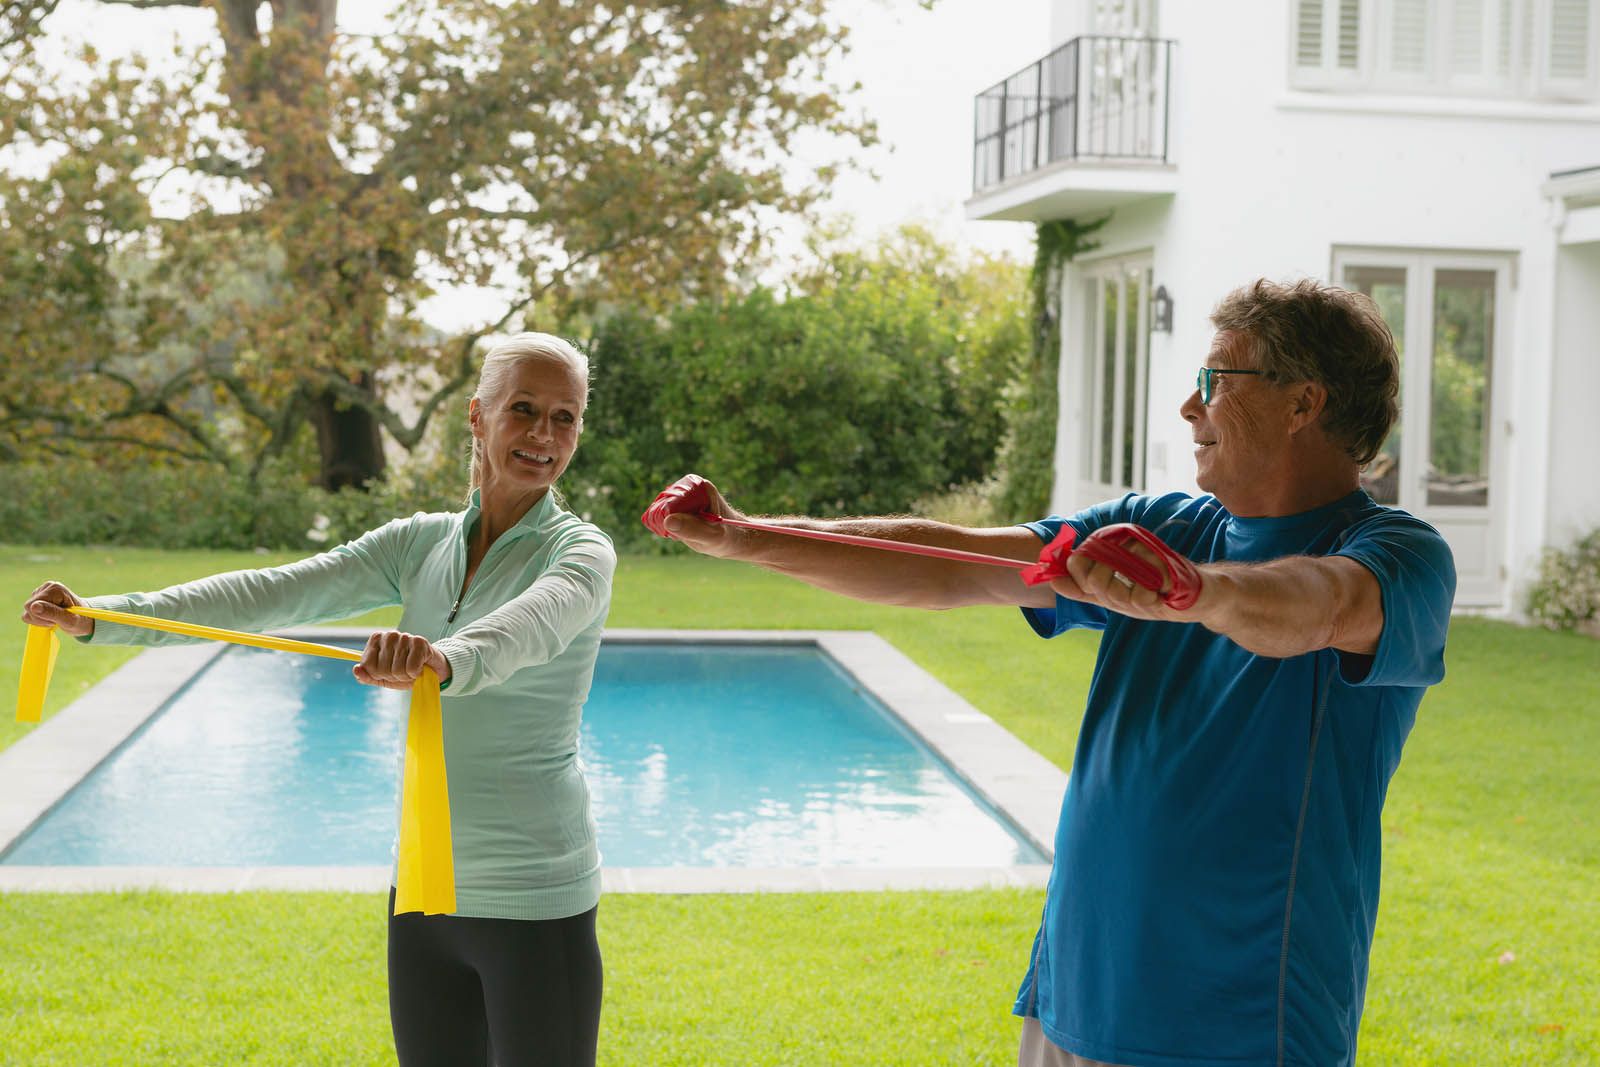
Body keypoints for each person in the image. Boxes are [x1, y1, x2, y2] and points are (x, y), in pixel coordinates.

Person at [655, 279, 1456, 1067]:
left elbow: (1320, 605)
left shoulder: (1398, 554)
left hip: (1242, 1024)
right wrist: (746, 535)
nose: (1190, 407)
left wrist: (1195, 592)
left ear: (1302, 402)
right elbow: (951, 564)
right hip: (1073, 996)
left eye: (1214, 381)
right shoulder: (1161, 526)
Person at [21, 333, 616, 1067]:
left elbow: (531, 624)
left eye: (566, 417)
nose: (543, 434)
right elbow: (271, 592)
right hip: (424, 894)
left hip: (535, 895)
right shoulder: (421, 544)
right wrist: (100, 617)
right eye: (524, 409)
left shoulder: (580, 552)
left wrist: (442, 658)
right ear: (477, 415)